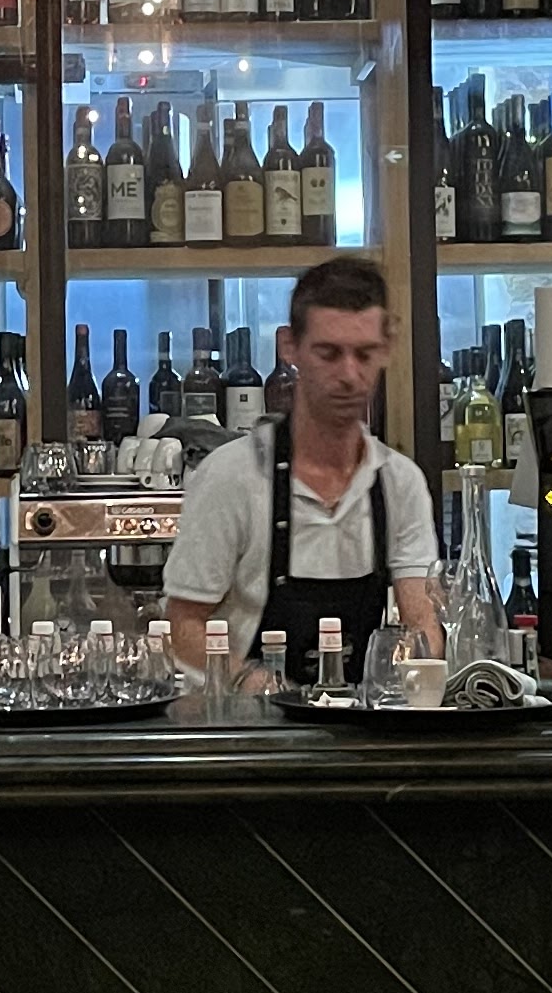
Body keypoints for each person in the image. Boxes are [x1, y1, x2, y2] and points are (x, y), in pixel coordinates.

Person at [162, 251, 441, 684]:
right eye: (329, 353)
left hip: (364, 717)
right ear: (289, 346)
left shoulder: (399, 482)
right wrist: (256, 685)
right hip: (252, 720)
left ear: (386, 349)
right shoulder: (232, 477)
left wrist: (414, 671)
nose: (349, 374)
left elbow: (421, 622)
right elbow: (181, 627)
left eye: (364, 354)